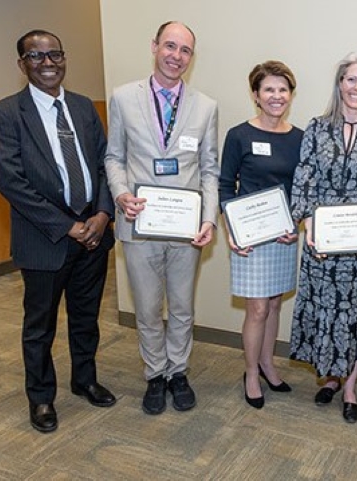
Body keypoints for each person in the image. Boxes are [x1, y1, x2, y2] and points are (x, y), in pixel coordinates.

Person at [0, 29, 116, 433]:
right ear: (21, 64)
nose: (47, 62)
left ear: (64, 58)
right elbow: (12, 183)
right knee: (40, 326)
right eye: (36, 56)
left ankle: (85, 379)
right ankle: (41, 397)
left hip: (93, 234)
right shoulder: (6, 114)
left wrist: (102, 214)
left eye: (54, 54)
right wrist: (69, 226)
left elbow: (103, 164)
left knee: (85, 316)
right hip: (45, 238)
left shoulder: (82, 107)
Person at [104, 21, 219, 415]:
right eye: (170, 46)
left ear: (192, 57)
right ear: (154, 46)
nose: (176, 56)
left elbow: (209, 169)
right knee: (149, 308)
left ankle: (178, 372)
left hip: (186, 229)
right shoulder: (122, 98)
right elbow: (114, 157)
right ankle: (155, 374)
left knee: (183, 307)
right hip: (140, 225)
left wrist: (209, 218)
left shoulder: (206, 106)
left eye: (185, 50)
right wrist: (121, 194)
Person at [290, 52, 357, 423]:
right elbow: (303, 179)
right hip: (323, 244)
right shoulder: (317, 128)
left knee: (356, 316)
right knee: (328, 313)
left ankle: (350, 385)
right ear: (340, 84)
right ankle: (330, 377)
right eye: (351, 79)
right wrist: (307, 224)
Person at [219, 61, 303, 409]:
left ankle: (269, 363)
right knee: (256, 309)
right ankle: (251, 372)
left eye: (282, 89)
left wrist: (296, 223)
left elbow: (302, 189)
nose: (276, 96)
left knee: (273, 305)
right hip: (249, 237)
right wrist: (231, 231)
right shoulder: (239, 135)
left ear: (290, 95)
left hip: (283, 236)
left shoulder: (299, 138)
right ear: (255, 94)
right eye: (269, 89)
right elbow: (225, 184)